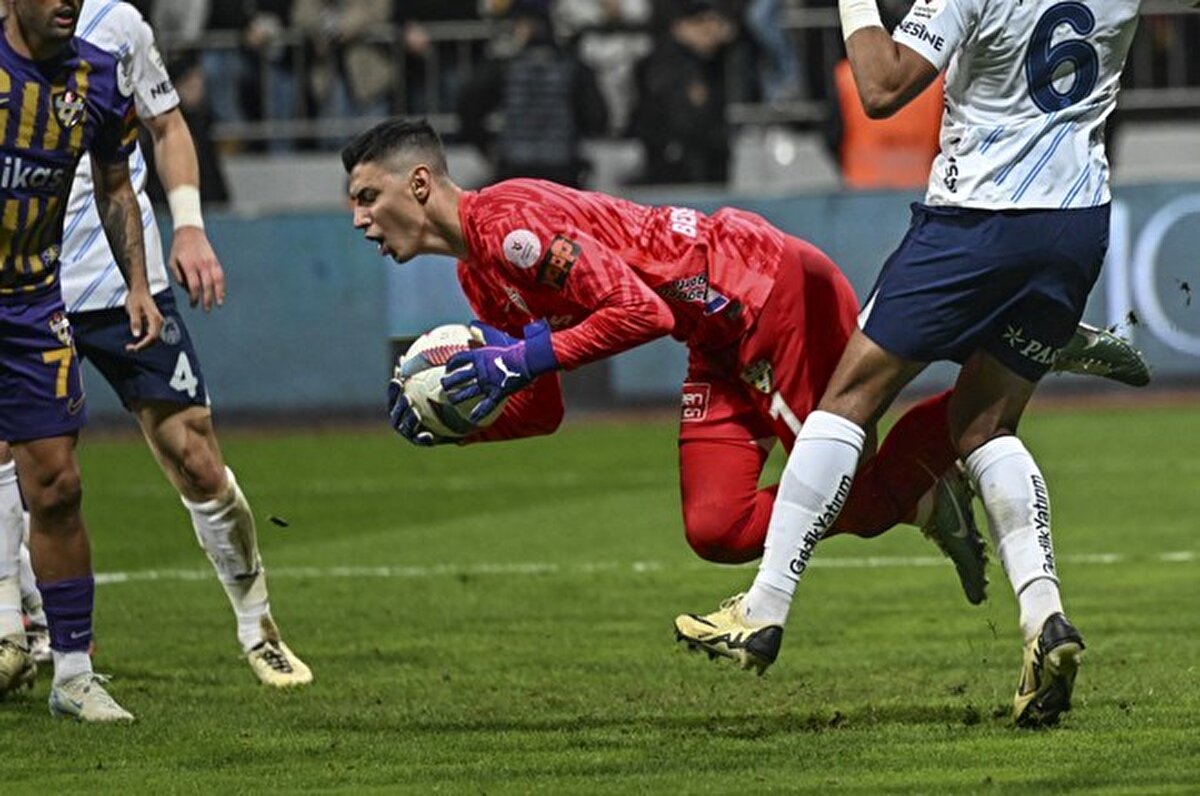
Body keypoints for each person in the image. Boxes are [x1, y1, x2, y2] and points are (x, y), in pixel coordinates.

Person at [340, 119, 1144, 616]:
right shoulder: (477, 274)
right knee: (715, 527)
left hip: (762, 292)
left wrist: (520, 356)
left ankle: (1012, 357)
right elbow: (545, 404)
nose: (360, 219)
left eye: (367, 197)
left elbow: (636, 312)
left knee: (848, 498)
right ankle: (981, 400)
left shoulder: (509, 227)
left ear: (419, 183)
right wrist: (467, 426)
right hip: (715, 334)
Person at [673, 0, 1158, 729]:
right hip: (1075, 226)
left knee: (848, 401)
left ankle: (765, 606)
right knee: (985, 425)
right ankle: (1044, 618)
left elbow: (880, 86)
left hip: (976, 222)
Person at [8, 0, 311, 690]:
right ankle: (22, 628)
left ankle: (257, 626)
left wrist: (189, 225)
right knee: (30, 475)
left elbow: (167, 125)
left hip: (122, 279)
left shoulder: (118, 24)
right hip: (21, 287)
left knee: (196, 455)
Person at [0, 0, 163, 721]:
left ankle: (71, 673)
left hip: (33, 304)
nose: (67, 0)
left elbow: (114, 181)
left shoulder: (97, 80)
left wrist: (136, 284)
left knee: (59, 484)